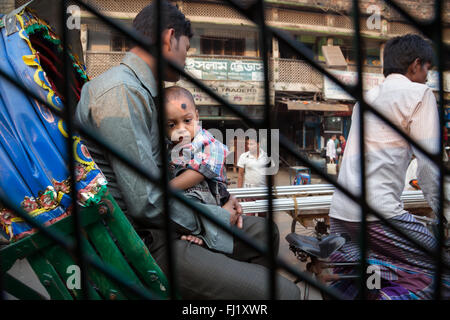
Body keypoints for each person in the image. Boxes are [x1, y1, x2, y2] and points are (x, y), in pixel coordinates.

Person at [75, 1, 300, 299]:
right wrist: (214, 217)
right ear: (169, 38)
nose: (186, 57)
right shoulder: (121, 93)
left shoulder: (146, 92)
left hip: (161, 221)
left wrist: (221, 196)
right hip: (145, 240)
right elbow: (147, 202)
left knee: (265, 233)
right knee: (286, 294)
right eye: (186, 47)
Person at [328, 34, 450, 299]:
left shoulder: (366, 99)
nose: (429, 76)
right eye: (428, 68)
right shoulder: (420, 93)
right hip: (378, 216)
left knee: (373, 271)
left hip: (340, 214)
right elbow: (428, 167)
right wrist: (445, 211)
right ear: (416, 65)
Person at [165, 86, 230, 244]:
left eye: (187, 121)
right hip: (189, 194)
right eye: (171, 125)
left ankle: (204, 234)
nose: (181, 129)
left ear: (197, 116)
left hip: (213, 194)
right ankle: (195, 231)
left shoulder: (207, 142)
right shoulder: (171, 146)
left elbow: (199, 172)